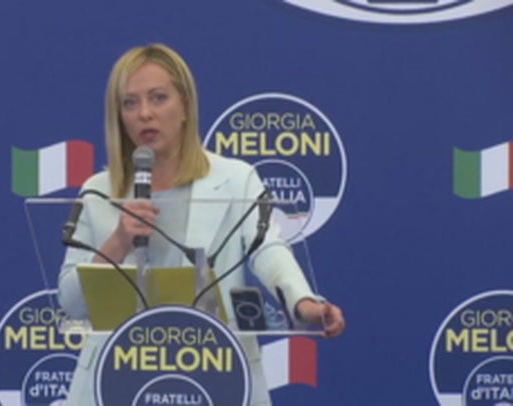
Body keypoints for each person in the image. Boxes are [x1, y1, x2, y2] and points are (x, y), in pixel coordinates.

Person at [58, 42, 345, 406]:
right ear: (119, 116)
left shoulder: (236, 179)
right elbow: (71, 302)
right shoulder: (97, 192)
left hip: (215, 375)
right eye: (130, 103)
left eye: (158, 98)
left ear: (185, 106)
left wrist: (303, 302)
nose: (145, 113)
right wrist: (117, 241)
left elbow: (268, 249)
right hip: (116, 381)